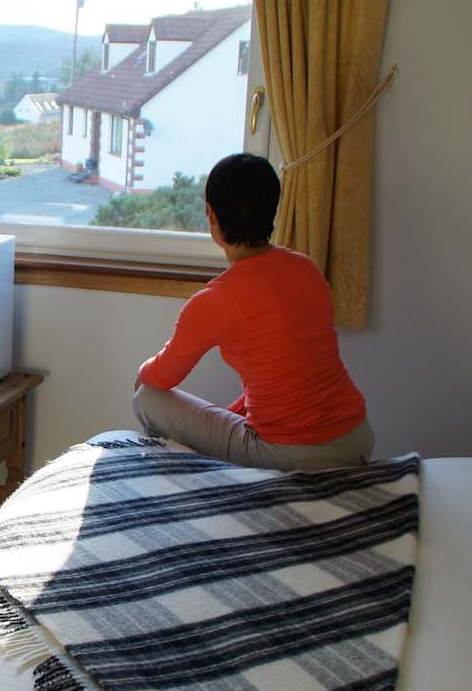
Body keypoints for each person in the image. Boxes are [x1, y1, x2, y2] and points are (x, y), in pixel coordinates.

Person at [132, 152, 373, 470]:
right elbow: (291, 372)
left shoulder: (216, 299)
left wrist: (142, 372)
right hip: (357, 438)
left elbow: (161, 377)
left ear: (211, 215)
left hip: (291, 455)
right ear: (273, 209)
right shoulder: (306, 268)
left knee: (146, 398)